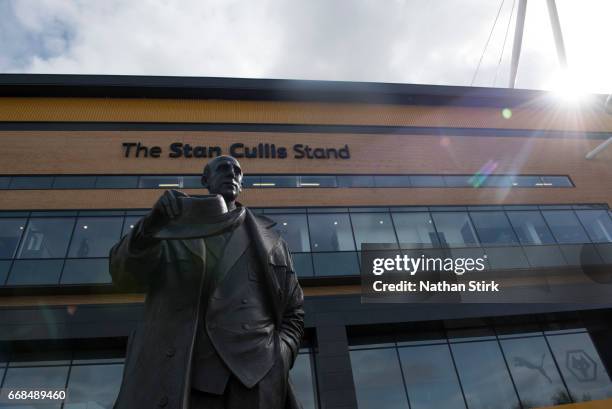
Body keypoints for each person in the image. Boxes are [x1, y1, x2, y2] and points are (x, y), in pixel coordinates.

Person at [109, 155, 304, 409]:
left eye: (237, 170)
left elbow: (294, 311)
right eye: (222, 168)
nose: (231, 173)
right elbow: (123, 275)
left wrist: (279, 355)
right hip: (185, 374)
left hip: (256, 377)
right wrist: (150, 227)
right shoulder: (172, 225)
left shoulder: (272, 241)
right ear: (205, 180)